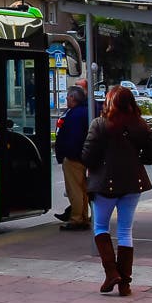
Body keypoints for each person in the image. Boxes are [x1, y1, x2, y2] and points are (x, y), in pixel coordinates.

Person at [81, 85, 152, 296]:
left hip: (104, 185)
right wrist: (136, 160)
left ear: (109, 103)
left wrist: (99, 164)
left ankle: (111, 273)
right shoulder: (140, 125)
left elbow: (87, 157)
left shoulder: (99, 125)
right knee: (125, 231)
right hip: (133, 183)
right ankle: (125, 283)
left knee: (100, 227)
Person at [54, 85, 90, 230]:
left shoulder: (74, 114)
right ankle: (83, 217)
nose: (66, 98)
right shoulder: (84, 112)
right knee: (82, 190)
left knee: (74, 189)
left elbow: (73, 138)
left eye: (68, 96)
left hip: (74, 157)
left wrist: (67, 154)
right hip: (81, 156)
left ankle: (76, 219)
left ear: (73, 98)